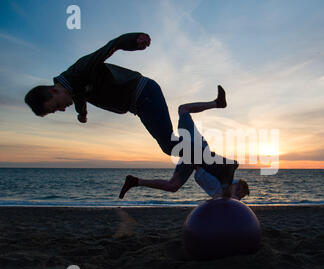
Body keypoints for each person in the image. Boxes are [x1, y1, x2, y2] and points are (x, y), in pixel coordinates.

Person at [24, 32, 238, 190]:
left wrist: (134, 41)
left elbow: (110, 46)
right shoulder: (72, 89)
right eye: (55, 112)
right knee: (169, 143)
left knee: (168, 144)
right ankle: (220, 166)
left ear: (53, 90)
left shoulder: (78, 71)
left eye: (56, 106)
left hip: (143, 92)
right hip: (139, 103)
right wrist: (82, 113)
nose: (61, 110)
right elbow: (80, 98)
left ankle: (222, 167)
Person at [119, 95, 250, 200]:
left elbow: (229, 196)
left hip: (197, 153)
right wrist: (234, 193)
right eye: (240, 193)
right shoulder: (229, 185)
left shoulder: (219, 192)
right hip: (199, 151)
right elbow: (232, 193)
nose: (239, 197)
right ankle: (217, 103)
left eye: (240, 196)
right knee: (170, 146)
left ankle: (135, 181)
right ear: (237, 185)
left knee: (183, 109)